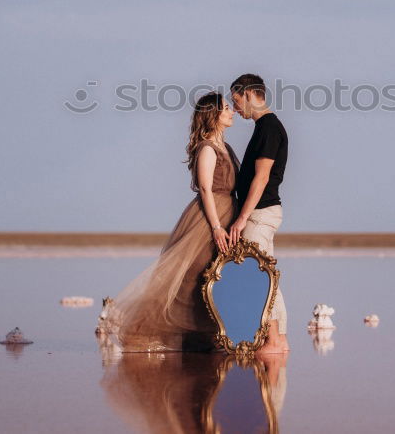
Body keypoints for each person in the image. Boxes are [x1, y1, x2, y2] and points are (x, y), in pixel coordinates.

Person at [106, 92, 240, 352]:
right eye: (225, 108)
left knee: (214, 273)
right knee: (195, 272)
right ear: (213, 114)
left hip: (227, 211)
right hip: (211, 216)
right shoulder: (207, 147)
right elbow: (205, 188)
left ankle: (211, 333)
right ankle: (179, 333)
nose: (231, 111)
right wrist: (215, 227)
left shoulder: (225, 145)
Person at [229, 73, 290, 354]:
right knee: (266, 275)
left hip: (260, 212)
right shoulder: (264, 127)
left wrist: (242, 218)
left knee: (263, 276)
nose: (236, 108)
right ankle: (277, 339)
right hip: (262, 212)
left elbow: (261, 177)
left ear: (251, 94)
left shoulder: (268, 127)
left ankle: (274, 340)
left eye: (237, 100)